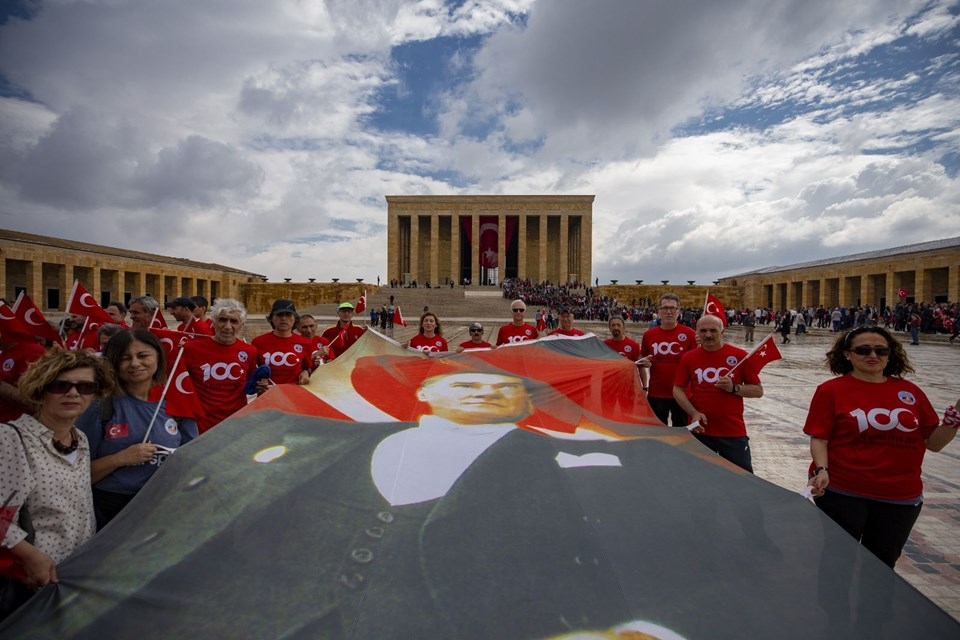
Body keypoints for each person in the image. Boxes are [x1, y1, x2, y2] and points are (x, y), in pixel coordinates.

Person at [804, 326, 958, 568]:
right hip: (843, 492)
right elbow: (820, 438)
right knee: (838, 561)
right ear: (847, 354)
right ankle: (832, 605)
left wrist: (955, 418)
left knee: (882, 565)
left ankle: (874, 607)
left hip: (900, 497)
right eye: (863, 350)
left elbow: (934, 443)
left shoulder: (910, 391)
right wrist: (821, 470)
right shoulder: (831, 391)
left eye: (881, 350)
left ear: (890, 354)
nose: (872, 355)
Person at [0, 349, 112, 618]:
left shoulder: (81, 439)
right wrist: (29, 556)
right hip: (31, 579)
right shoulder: (12, 438)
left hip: (74, 576)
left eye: (85, 386)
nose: (73, 393)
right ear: (40, 390)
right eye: (60, 385)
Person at [77, 329, 199, 529]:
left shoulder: (177, 403)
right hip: (110, 509)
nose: (135, 363)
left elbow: (192, 460)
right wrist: (120, 458)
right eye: (125, 358)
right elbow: (77, 473)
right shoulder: (99, 406)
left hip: (161, 507)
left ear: (158, 357)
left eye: (143, 356)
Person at [672, 315, 764, 472]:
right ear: (697, 333)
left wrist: (734, 388)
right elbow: (677, 389)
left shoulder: (739, 356)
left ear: (722, 332)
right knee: (699, 478)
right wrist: (693, 412)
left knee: (741, 479)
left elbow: (758, 390)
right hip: (700, 432)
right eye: (703, 331)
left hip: (732, 433)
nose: (708, 335)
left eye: (713, 330)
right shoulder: (689, 358)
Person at [180, 298, 258, 433]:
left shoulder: (250, 351)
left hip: (235, 424)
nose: (228, 326)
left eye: (234, 321)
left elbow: (249, 383)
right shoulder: (191, 349)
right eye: (223, 320)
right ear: (214, 322)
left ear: (241, 325)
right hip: (200, 426)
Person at [639, 294, 697, 427]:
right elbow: (641, 357)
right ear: (659, 311)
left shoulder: (690, 334)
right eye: (665, 308)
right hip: (657, 393)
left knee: (682, 432)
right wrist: (644, 362)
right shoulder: (649, 335)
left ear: (679, 311)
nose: (669, 312)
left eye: (672, 308)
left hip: (682, 394)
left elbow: (697, 361)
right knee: (658, 433)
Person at [251, 300, 313, 386]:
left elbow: (308, 368)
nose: (284, 318)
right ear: (272, 318)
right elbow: (252, 371)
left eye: (288, 315)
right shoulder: (258, 342)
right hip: (267, 395)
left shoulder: (305, 343)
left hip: (294, 394)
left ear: (295, 318)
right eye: (279, 315)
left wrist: (306, 373)